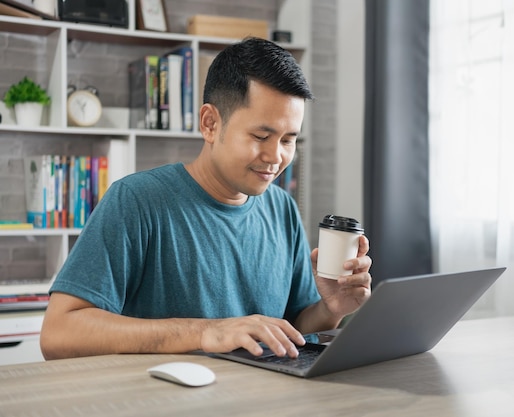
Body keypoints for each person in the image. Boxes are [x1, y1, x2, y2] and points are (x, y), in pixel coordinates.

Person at [40, 37, 372, 360]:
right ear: (210, 124)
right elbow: (59, 333)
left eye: (288, 140)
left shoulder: (282, 207)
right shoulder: (136, 201)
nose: (276, 157)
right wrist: (205, 332)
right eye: (261, 136)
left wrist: (330, 309)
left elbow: (293, 326)